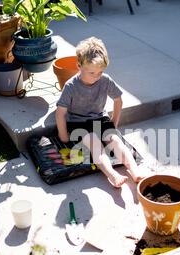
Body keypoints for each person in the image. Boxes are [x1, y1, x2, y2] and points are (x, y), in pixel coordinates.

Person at [56, 37, 145, 188]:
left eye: (100, 72)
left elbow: (118, 100)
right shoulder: (71, 86)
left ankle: (135, 171)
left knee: (116, 141)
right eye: (92, 72)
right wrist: (63, 136)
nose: (96, 76)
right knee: (94, 143)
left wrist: (114, 123)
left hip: (100, 118)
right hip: (78, 122)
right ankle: (113, 175)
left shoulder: (105, 80)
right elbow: (60, 112)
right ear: (79, 66)